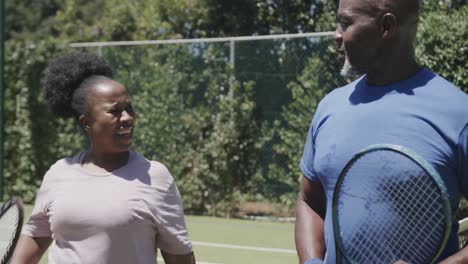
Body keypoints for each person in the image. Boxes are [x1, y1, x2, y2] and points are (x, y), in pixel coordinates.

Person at [295, 0, 468, 263]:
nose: (336, 35)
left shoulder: (458, 113)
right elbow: (309, 201)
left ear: (386, 27)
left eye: (346, 23)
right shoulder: (330, 107)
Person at [10, 52, 196, 264]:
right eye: (115, 111)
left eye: (129, 109)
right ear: (86, 122)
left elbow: (180, 257)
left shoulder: (155, 176)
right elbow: (36, 234)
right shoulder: (58, 173)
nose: (127, 118)